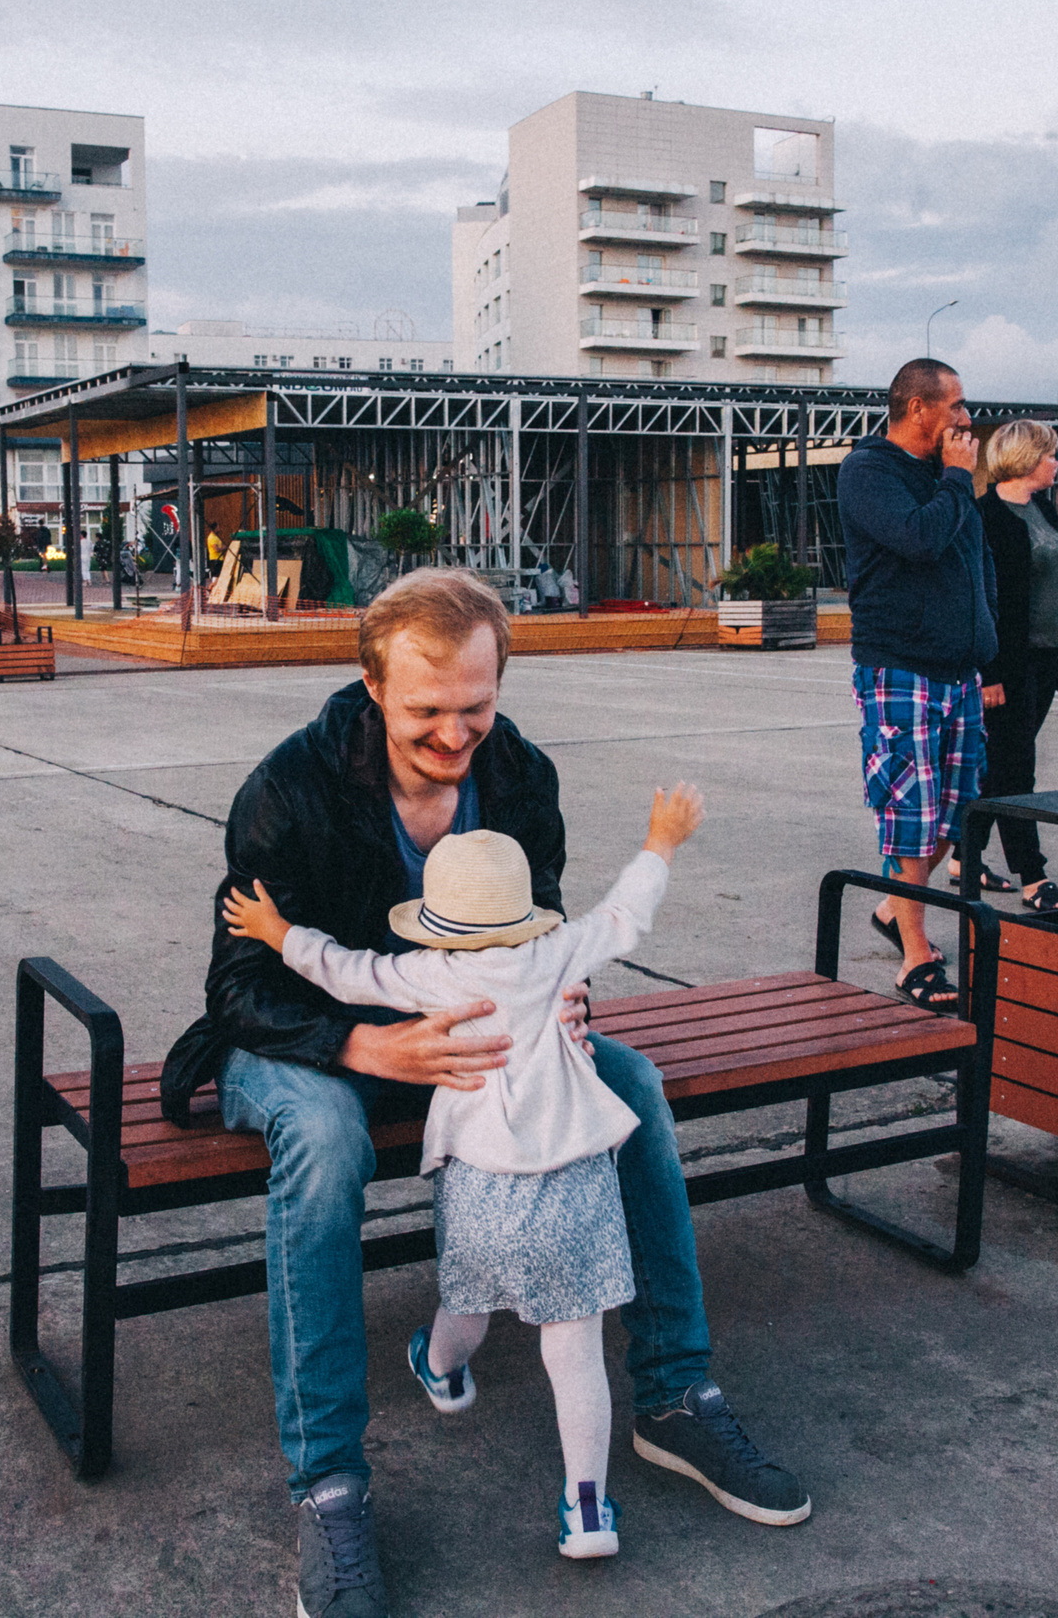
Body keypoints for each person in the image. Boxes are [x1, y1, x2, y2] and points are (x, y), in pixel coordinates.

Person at [162, 568, 809, 1618]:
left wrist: (569, 1001)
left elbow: (546, 930)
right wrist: (365, 1051)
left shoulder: (518, 774)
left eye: (477, 706)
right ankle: (328, 1487)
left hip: (473, 1048)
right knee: (326, 1146)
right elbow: (238, 986)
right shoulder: (290, 787)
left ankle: (674, 1392)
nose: (455, 735)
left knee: (629, 1084)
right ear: (371, 682)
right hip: (304, 1041)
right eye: (427, 711)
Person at [221, 781, 706, 1564]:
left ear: (438, 919)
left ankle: (439, 1367)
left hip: (482, 1188)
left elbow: (345, 972)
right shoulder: (556, 955)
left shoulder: (430, 974)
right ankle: (587, 1509)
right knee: (573, 1350)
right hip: (574, 1186)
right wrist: (662, 840)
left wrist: (277, 931)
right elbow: (625, 912)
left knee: (468, 1306)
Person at [835, 359, 997, 1015]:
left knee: (957, 814)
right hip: (900, 668)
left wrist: (990, 657)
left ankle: (893, 906)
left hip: (960, 672)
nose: (965, 419)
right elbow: (920, 540)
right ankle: (915, 957)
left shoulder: (948, 480)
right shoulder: (869, 471)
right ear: (919, 409)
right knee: (910, 815)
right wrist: (958, 478)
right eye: (955, 406)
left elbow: (973, 562)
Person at [973, 420, 1058, 915]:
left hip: (1047, 659)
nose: (1057, 462)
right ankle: (1033, 877)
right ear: (1028, 458)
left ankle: (964, 858)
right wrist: (989, 672)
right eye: (1051, 454)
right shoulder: (986, 516)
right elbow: (983, 600)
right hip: (1009, 666)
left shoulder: (1042, 509)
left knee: (998, 769)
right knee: (1017, 769)